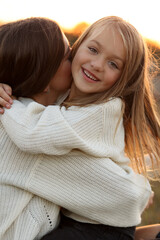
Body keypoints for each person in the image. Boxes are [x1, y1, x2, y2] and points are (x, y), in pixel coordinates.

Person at [0, 16, 159, 240]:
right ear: (44, 77)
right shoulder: (39, 115)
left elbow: (36, 130)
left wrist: (8, 98)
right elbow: (126, 197)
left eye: (113, 64)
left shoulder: (95, 109)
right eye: (68, 56)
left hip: (97, 227)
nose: (95, 64)